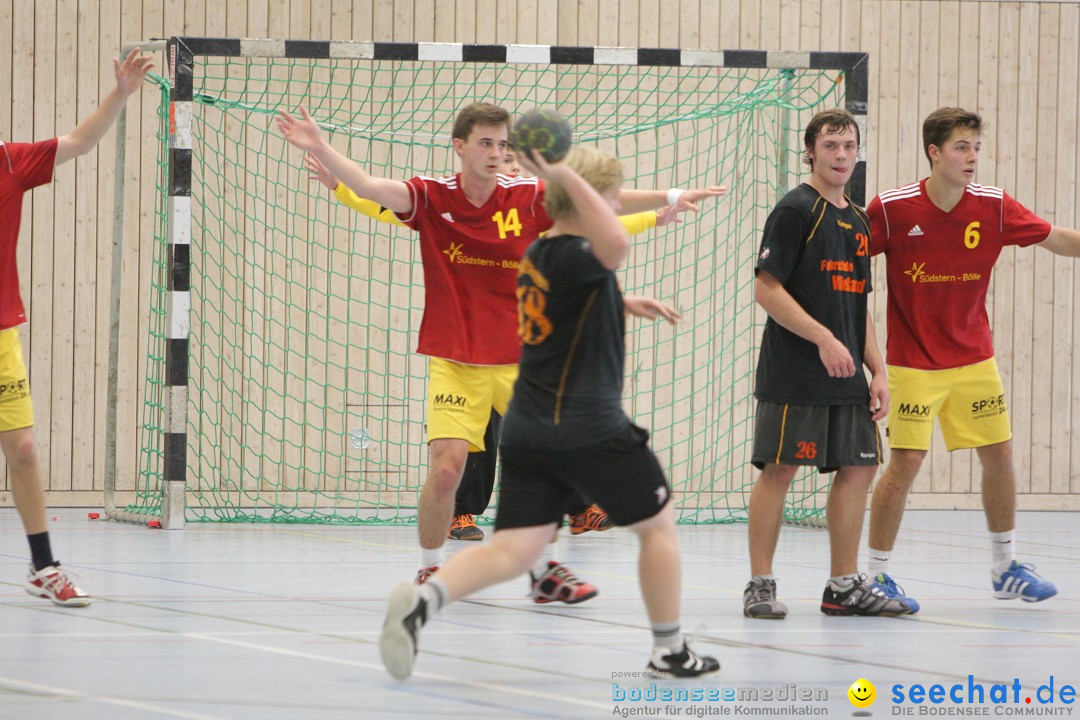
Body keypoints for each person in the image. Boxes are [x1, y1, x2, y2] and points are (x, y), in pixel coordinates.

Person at [277, 102, 725, 602]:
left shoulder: (527, 197)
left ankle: (545, 572)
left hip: (523, 364)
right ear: (460, 146)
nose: (496, 153)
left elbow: (600, 201)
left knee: (545, 466)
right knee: (447, 469)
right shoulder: (431, 196)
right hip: (455, 359)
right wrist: (320, 146)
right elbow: (368, 187)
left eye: (504, 144)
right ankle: (430, 569)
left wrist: (672, 195)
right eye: (486, 143)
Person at [378, 145, 720, 681]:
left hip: (528, 428)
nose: (612, 206)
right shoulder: (582, 251)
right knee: (658, 527)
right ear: (587, 201)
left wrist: (622, 301)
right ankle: (670, 650)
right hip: (587, 424)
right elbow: (614, 241)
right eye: (608, 196)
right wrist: (564, 172)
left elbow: (576, 294)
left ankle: (425, 601)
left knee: (515, 548)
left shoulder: (536, 256)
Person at [304, 148, 682, 539]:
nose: (514, 173)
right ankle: (460, 517)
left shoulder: (531, 213)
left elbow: (590, 221)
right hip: (463, 349)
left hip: (516, 346)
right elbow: (382, 203)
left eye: (519, 168)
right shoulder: (448, 207)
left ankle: (576, 511)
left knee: (552, 436)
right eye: (507, 165)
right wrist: (341, 189)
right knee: (468, 448)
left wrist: (655, 216)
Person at [864, 107, 1077, 609]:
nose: (972, 157)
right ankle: (875, 574)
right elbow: (847, 261)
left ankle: (1006, 567)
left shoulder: (994, 206)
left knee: (1000, 455)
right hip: (913, 363)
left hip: (975, 360)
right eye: (962, 147)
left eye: (976, 147)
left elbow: (1055, 238)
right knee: (906, 463)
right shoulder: (892, 209)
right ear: (934, 152)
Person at [742, 108, 912, 620]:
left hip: (847, 378)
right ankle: (760, 584)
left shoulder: (858, 220)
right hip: (795, 372)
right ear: (811, 151)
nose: (841, 155)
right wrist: (821, 338)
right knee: (780, 470)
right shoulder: (795, 210)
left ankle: (842, 586)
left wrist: (878, 370)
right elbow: (765, 288)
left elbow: (858, 305)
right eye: (831, 145)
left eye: (848, 146)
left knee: (860, 468)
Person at [1, 48, 154, 607]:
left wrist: (120, 94)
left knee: (22, 450)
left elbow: (80, 143)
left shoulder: (9, 163)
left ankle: (44, 567)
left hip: (0, 337)